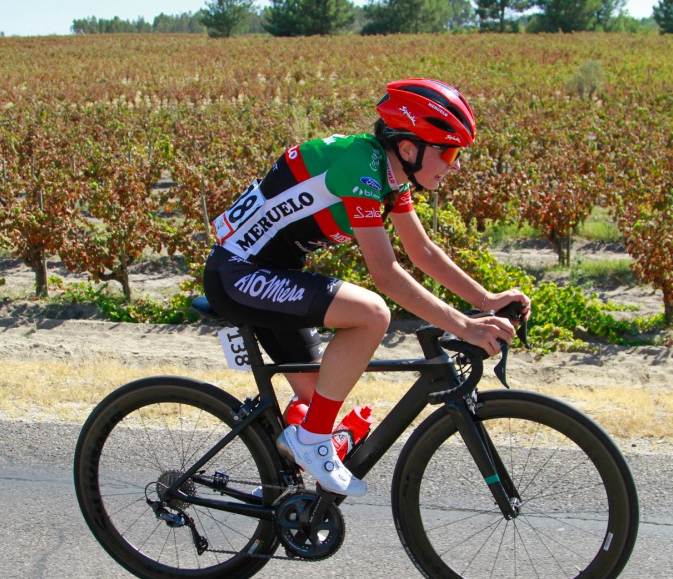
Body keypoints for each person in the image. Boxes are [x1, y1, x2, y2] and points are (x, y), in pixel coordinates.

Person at [203, 78, 530, 497]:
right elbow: (386, 274)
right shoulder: (359, 165)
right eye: (449, 152)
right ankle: (311, 442)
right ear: (409, 149)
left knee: (320, 396)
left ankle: (286, 488)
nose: (456, 165)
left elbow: (422, 251)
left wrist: (486, 300)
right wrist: (465, 326)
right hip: (239, 274)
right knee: (372, 313)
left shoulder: (391, 175)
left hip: (271, 274)